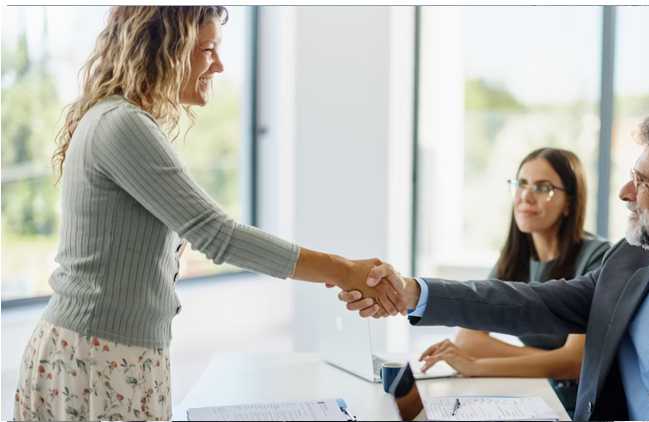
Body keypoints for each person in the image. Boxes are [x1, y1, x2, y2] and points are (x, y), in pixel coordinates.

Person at [13, 7, 403, 421]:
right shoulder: (122, 125)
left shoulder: (121, 120)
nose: (218, 65)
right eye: (208, 50)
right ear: (166, 50)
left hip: (107, 352)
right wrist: (344, 270)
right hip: (98, 357)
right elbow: (218, 235)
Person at [342, 116, 649, 421]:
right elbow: (531, 302)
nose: (625, 192)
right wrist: (412, 292)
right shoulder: (628, 263)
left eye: (642, 182)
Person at [418, 148, 610, 416]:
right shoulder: (515, 258)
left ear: (570, 202)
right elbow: (468, 340)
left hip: (578, 407)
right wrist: (549, 362)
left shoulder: (598, 259)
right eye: (521, 183)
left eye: (543, 187)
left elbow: (574, 362)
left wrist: (477, 365)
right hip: (537, 390)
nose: (526, 196)